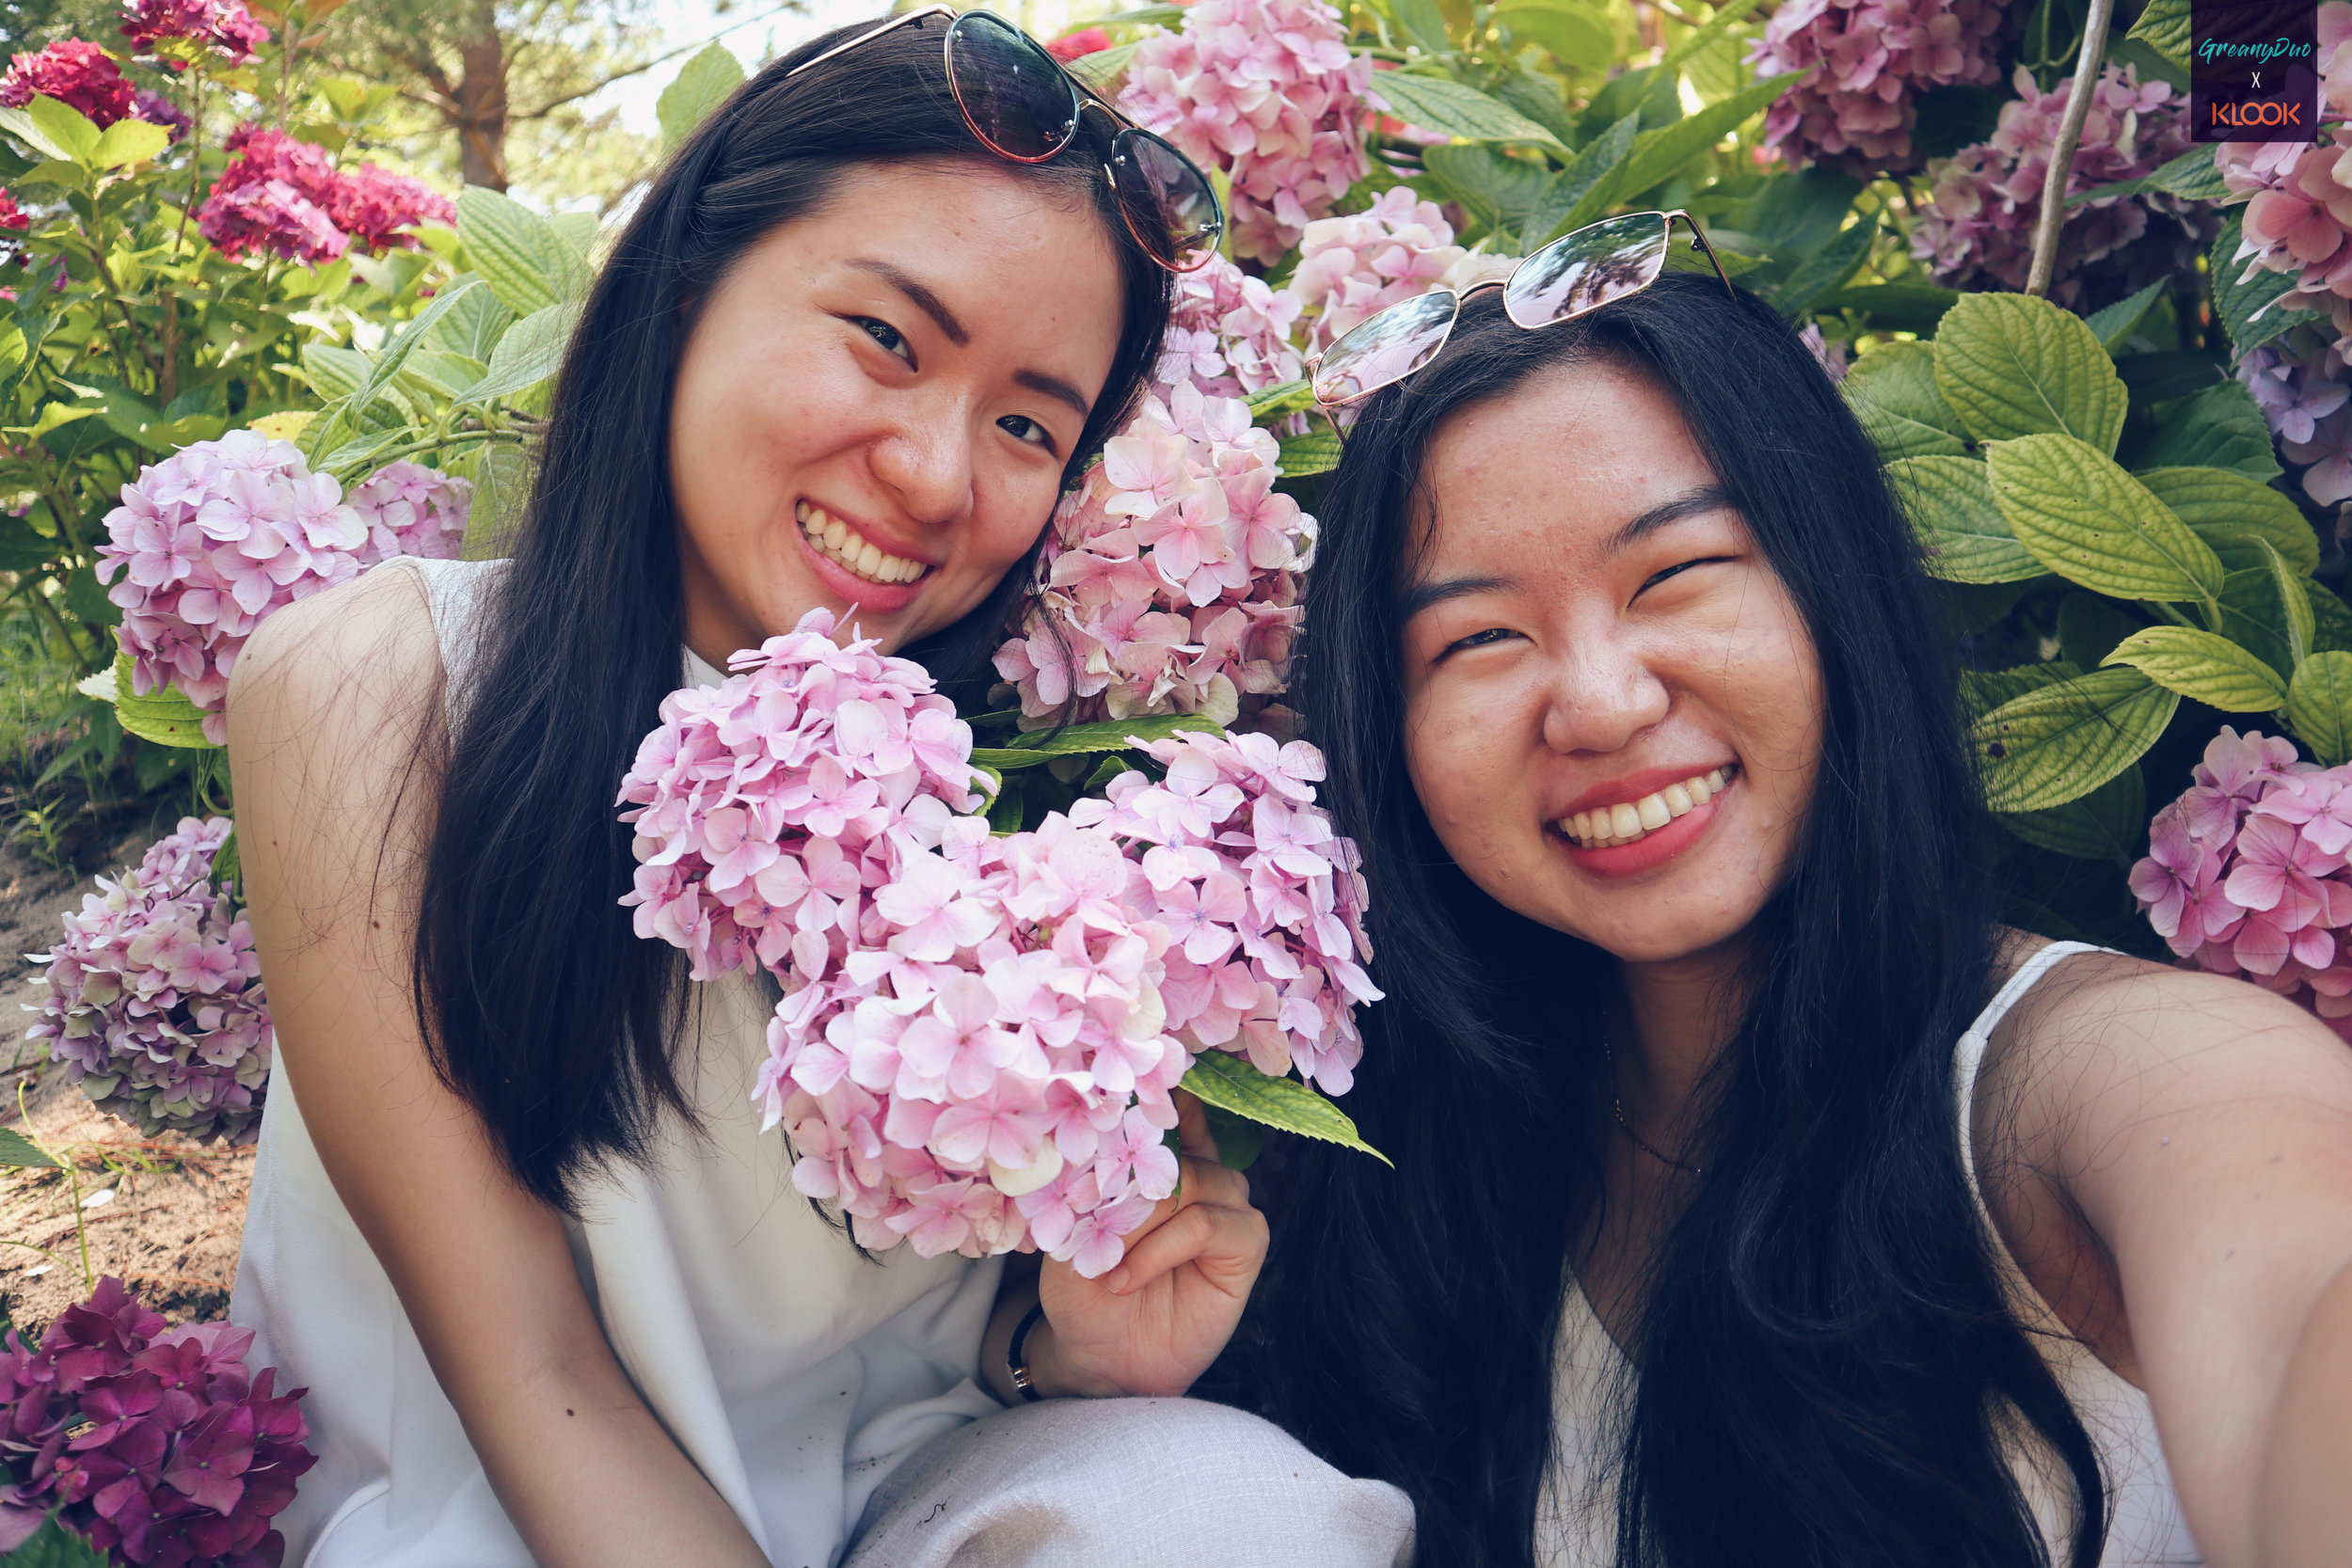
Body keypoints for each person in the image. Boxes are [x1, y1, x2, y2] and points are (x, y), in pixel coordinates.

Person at [224, 13, 1410, 1567]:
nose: (933, 475)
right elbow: (532, 1378)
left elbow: (902, 1375)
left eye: (1028, 423)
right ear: (684, 281)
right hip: (499, 1507)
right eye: (890, 340)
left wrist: (1059, 1354)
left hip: (917, 1504)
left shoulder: (1050, 781)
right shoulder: (382, 688)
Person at [1255, 265, 2352, 1567]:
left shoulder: (2096, 1079)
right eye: (1478, 641)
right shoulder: (1401, 1156)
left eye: (1679, 574)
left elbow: (2297, 1308)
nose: (1599, 704)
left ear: (1838, 594)